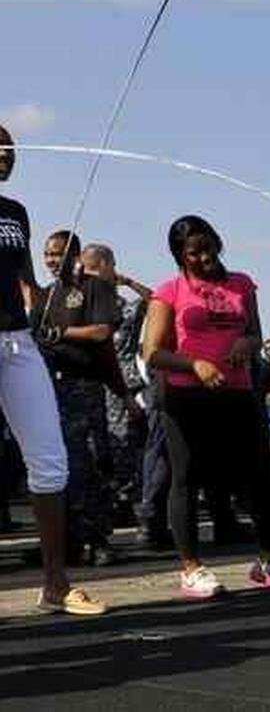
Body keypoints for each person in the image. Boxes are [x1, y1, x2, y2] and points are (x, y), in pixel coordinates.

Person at [143, 215, 270, 598]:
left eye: (208, 245)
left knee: (261, 475)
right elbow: (153, 353)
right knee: (187, 477)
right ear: (180, 256)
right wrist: (194, 364)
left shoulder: (241, 284)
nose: (203, 256)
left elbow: (254, 331)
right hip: (187, 396)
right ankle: (191, 567)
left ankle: (268, 559)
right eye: (192, 252)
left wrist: (247, 343)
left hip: (238, 391)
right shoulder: (169, 291)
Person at [0, 127, 105, 613]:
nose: (6, 157)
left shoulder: (15, 212)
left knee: (49, 460)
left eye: (11, 150)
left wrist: (42, 312)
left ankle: (55, 585)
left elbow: (25, 280)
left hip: (18, 343)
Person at [32, 230, 117, 565]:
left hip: (86, 387)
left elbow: (102, 332)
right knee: (59, 468)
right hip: (52, 387)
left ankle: (97, 539)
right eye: (48, 254)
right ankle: (66, 541)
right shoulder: (46, 296)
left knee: (92, 464)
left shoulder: (94, 289)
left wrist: (61, 333)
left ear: (76, 254)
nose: (53, 260)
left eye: (59, 253)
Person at [80, 243, 151, 526]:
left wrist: (128, 282)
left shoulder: (123, 307)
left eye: (97, 269)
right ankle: (103, 500)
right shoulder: (80, 303)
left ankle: (124, 499)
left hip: (123, 383)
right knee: (94, 446)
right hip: (89, 384)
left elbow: (154, 299)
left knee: (122, 445)